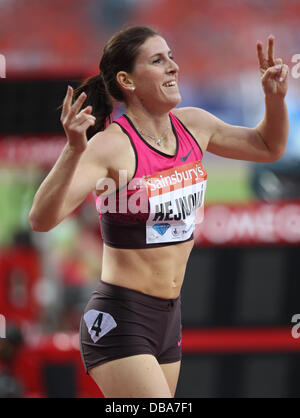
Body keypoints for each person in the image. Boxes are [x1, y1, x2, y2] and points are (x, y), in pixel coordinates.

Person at [29, 26, 289, 398]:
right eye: (157, 60)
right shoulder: (111, 146)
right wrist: (74, 149)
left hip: (168, 318)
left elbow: (268, 146)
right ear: (126, 80)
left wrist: (273, 98)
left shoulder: (194, 125)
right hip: (120, 317)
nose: (173, 67)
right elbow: (41, 219)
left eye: (171, 56)